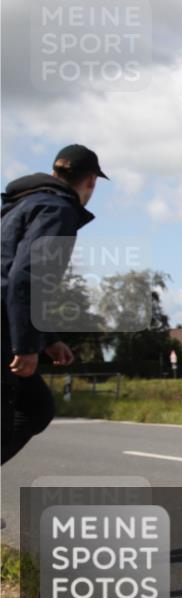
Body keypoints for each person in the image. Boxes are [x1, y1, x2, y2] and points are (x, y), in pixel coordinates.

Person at [1, 144, 108, 464]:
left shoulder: (17, 207)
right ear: (92, 182)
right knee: (14, 416)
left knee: (35, 407)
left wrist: (48, 339)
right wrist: (27, 345)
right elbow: (25, 277)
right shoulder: (57, 210)